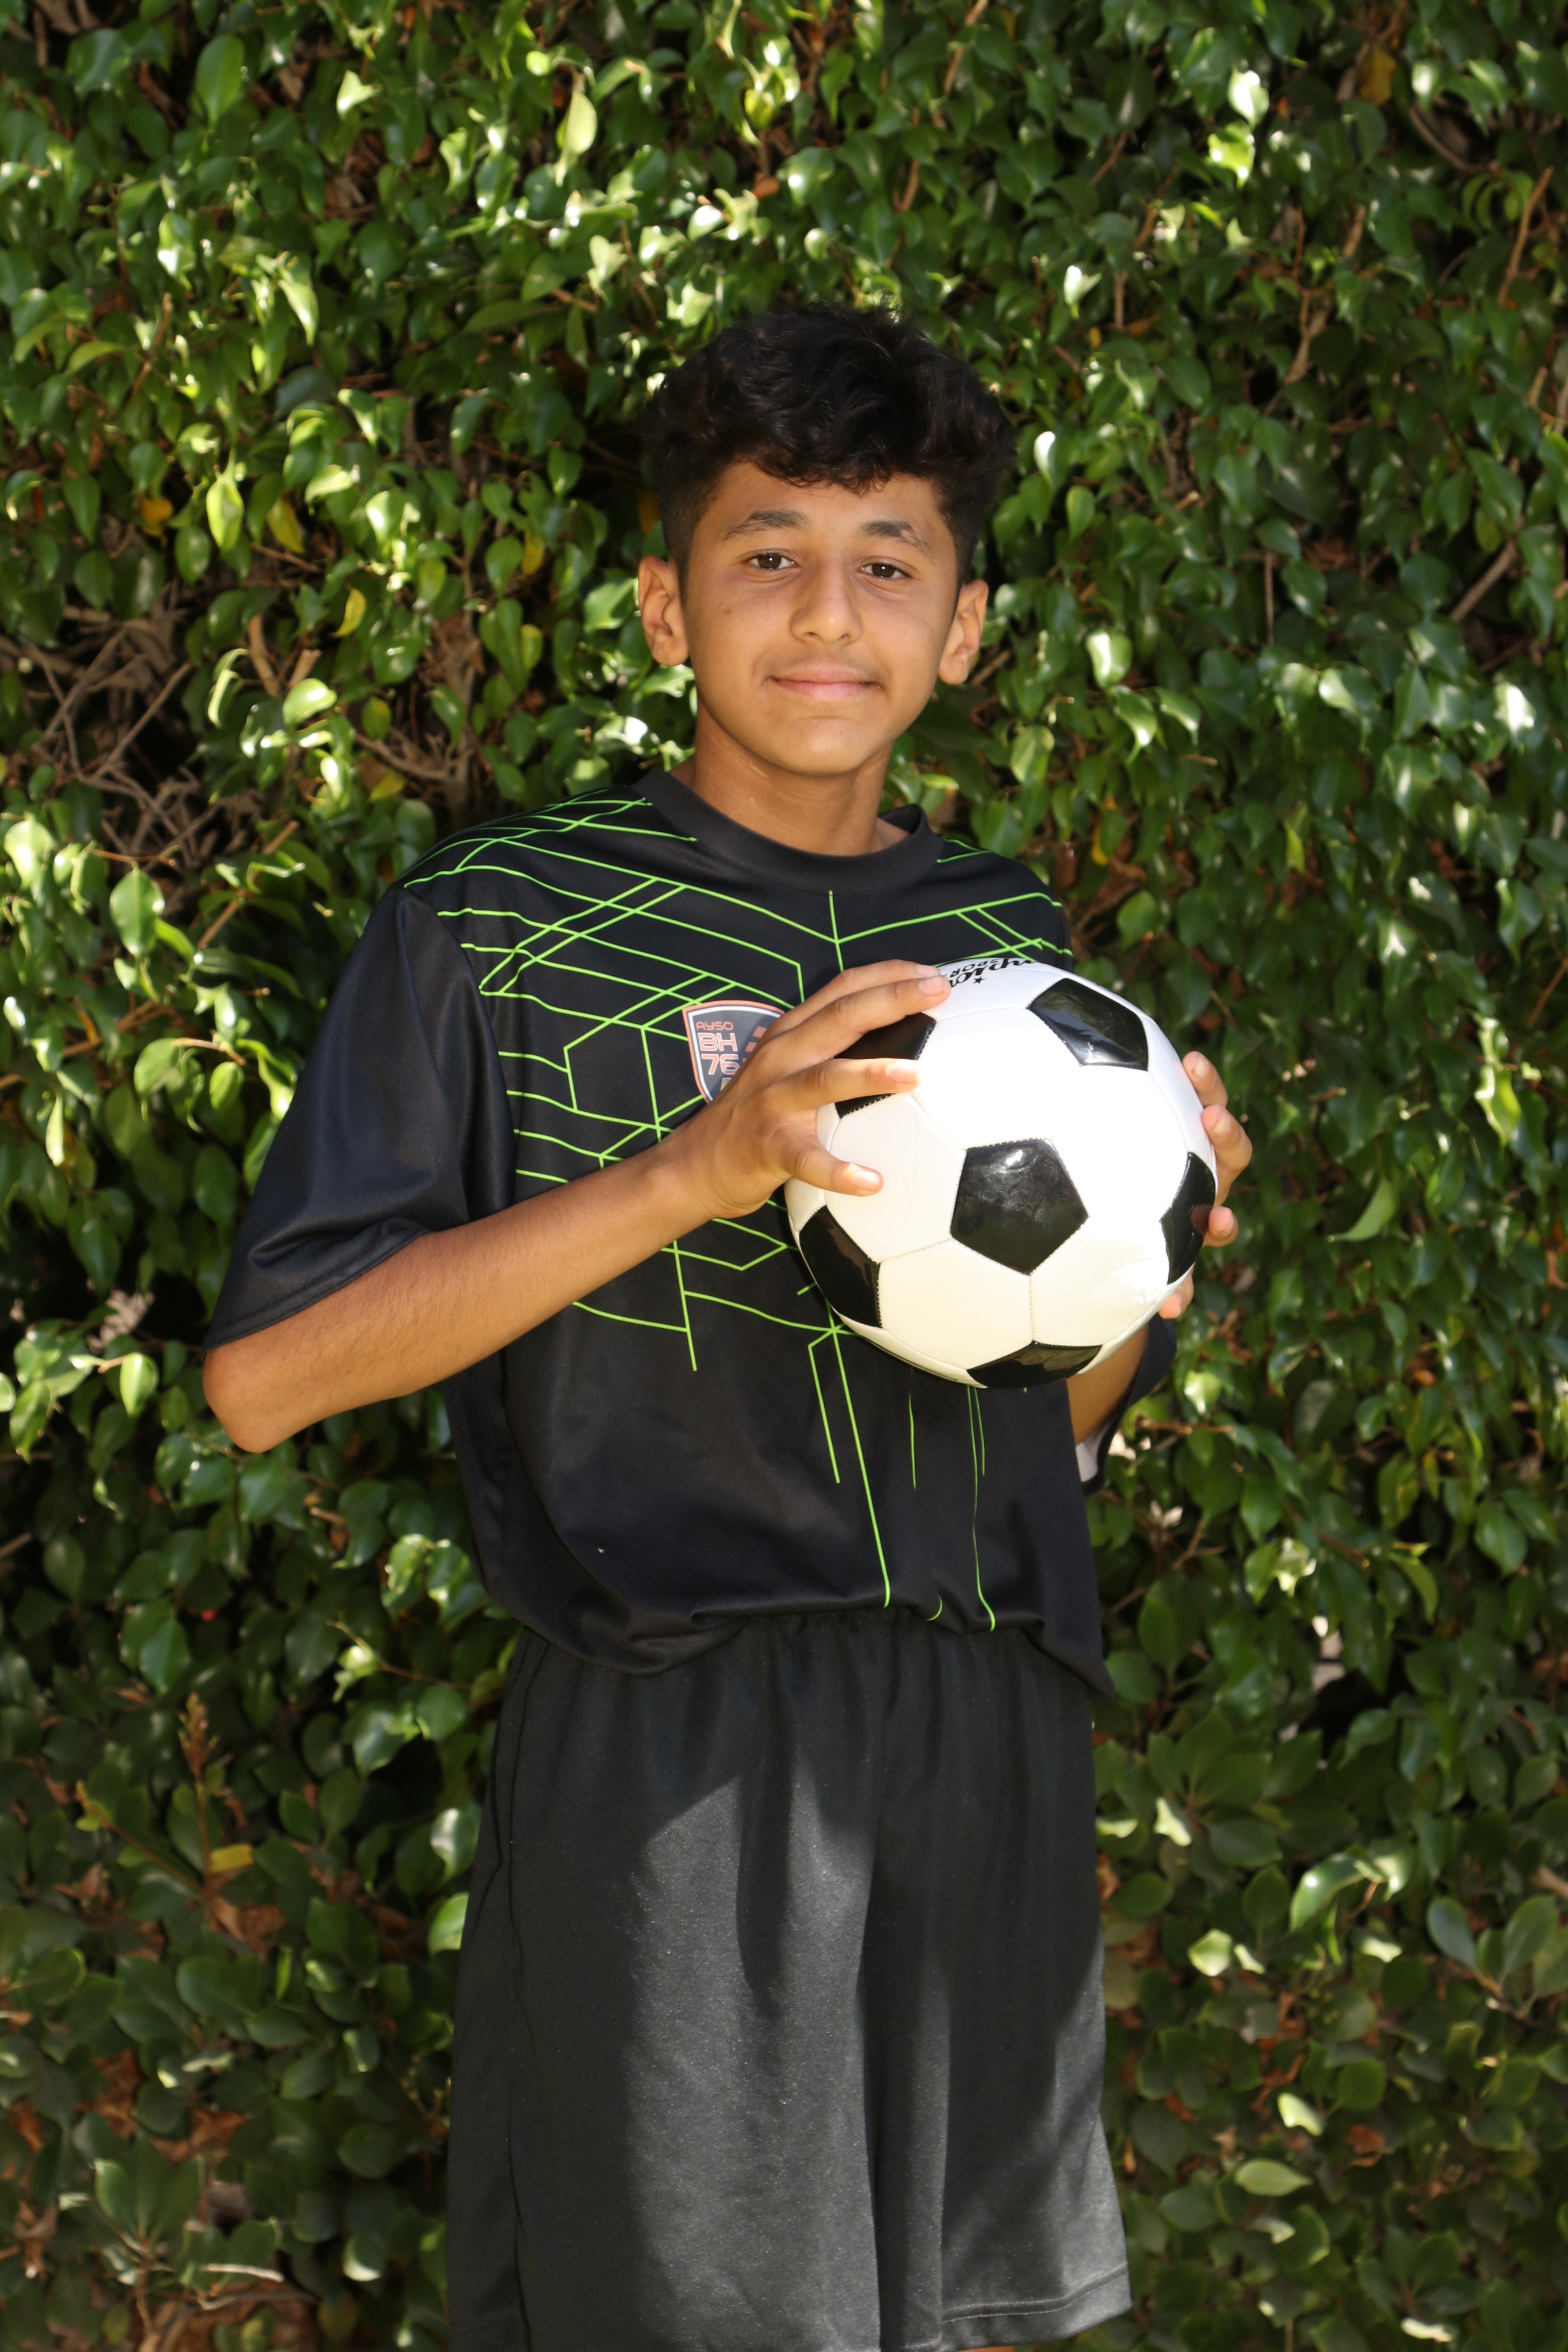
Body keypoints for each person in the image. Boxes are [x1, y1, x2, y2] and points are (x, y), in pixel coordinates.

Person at [204, 302, 1252, 2352]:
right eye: (768, 552)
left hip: (987, 1732)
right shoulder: (495, 923)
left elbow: (1048, 1428)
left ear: (966, 627)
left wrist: (1144, 1261)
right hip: (680, 1760)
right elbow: (267, 1375)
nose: (828, 613)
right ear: (667, 608)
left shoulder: (1010, 953)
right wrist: (691, 1173)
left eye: (890, 560)